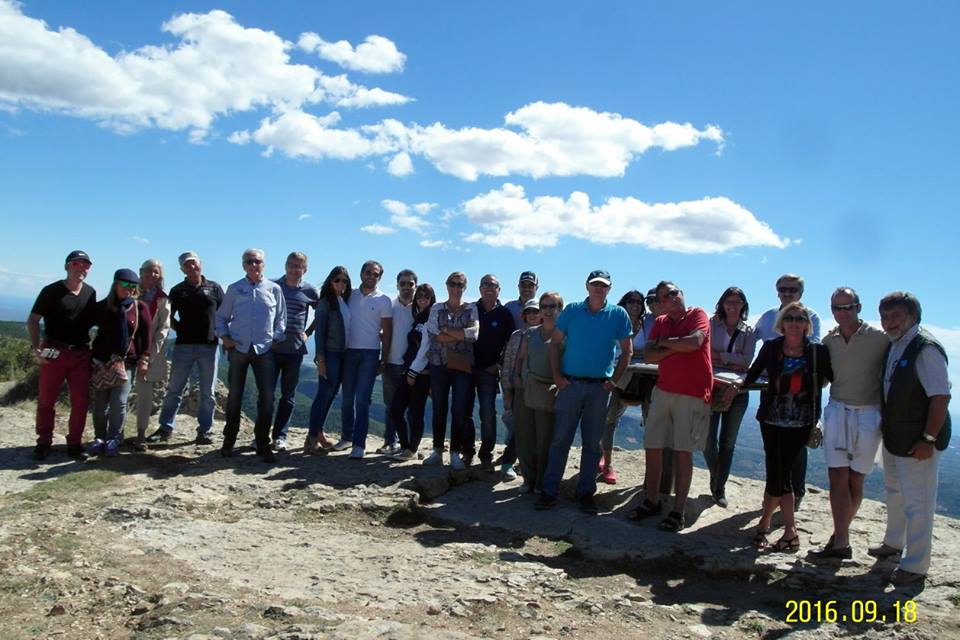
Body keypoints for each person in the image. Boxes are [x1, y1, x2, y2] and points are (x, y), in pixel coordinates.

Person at [725, 302, 832, 553]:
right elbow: (753, 373)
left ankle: (766, 526)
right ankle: (788, 532)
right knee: (780, 473)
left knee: (780, 473)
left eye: (800, 318)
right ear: (781, 323)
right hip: (771, 419)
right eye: (789, 318)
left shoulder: (817, 351)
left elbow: (831, 378)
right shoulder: (772, 347)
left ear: (807, 324)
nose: (794, 322)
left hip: (801, 422)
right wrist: (736, 386)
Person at [870, 292, 951, 585]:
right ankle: (893, 543)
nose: (889, 322)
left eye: (896, 316)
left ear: (913, 317)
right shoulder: (896, 345)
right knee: (895, 492)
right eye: (885, 316)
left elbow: (940, 397)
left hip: (918, 440)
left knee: (919, 502)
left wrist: (928, 439)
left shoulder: (925, 348)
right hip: (896, 437)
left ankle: (916, 565)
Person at [536, 270, 632, 514]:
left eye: (603, 285)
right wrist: (557, 376)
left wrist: (614, 381)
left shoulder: (618, 314)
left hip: (600, 388)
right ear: (587, 286)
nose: (599, 289)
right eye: (595, 284)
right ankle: (549, 491)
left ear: (609, 289)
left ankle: (586, 492)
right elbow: (555, 343)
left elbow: (627, 351)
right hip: (570, 384)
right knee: (560, 439)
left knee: (592, 443)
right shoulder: (572, 311)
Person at [810, 287, 889, 559]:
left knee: (856, 479)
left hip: (869, 413)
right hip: (838, 410)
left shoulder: (880, 338)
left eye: (848, 307)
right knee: (837, 478)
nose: (842, 313)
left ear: (858, 307)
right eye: (837, 308)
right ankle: (842, 542)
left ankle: (839, 537)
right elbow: (822, 379)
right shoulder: (829, 341)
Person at [631, 282, 712, 533]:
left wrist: (664, 344)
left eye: (674, 293)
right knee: (653, 446)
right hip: (664, 390)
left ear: (682, 293)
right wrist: (677, 346)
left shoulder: (698, 314)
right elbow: (649, 356)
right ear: (661, 303)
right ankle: (652, 500)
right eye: (665, 297)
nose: (671, 298)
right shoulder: (661, 321)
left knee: (682, 451)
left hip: (692, 393)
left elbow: (695, 342)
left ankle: (678, 511)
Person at [754, 273, 822, 510]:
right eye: (782, 289)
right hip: (771, 391)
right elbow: (750, 337)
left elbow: (813, 348)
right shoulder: (768, 316)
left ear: (801, 293)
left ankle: (796, 493)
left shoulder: (811, 316)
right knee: (772, 448)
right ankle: (773, 493)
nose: (787, 293)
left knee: (797, 449)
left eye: (792, 290)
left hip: (799, 395)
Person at [216, 248, 286, 462]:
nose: (253, 264)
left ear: (264, 264)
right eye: (249, 261)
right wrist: (225, 339)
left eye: (257, 261)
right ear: (243, 265)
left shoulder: (274, 289)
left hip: (264, 350)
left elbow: (281, 319)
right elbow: (221, 317)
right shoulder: (234, 289)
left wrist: (275, 339)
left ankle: (262, 443)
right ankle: (229, 440)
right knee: (234, 396)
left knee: (267, 397)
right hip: (238, 348)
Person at [28, 250, 98, 461]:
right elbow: (33, 320)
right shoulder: (51, 291)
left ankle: (75, 443)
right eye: (77, 264)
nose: (81, 268)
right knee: (47, 399)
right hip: (53, 350)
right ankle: (43, 442)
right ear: (67, 266)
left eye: (86, 265)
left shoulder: (90, 292)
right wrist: (36, 348)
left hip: (81, 353)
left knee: (81, 400)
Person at [150, 251, 224, 445]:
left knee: (208, 392)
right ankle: (165, 428)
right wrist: (179, 328)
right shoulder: (177, 290)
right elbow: (167, 315)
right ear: (182, 269)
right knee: (175, 389)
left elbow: (225, 313)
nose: (191, 267)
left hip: (210, 346)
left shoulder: (214, 288)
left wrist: (221, 333)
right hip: (183, 345)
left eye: (194, 263)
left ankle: (205, 431)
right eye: (186, 265)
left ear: (200, 264)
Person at [89, 269, 153, 457]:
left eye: (133, 286)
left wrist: (144, 359)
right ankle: (99, 438)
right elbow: (83, 325)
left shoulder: (139, 307)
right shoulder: (102, 307)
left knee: (119, 402)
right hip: (101, 361)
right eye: (125, 284)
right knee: (100, 404)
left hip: (126, 362)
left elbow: (146, 337)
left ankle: (114, 439)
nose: (129, 289)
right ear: (115, 284)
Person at [704, 287, 757, 508]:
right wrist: (732, 359)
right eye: (729, 302)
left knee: (728, 443)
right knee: (707, 440)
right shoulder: (711, 324)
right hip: (712, 386)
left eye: (737, 302)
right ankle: (717, 476)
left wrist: (720, 357)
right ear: (722, 304)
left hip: (738, 391)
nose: (733, 306)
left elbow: (746, 361)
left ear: (743, 305)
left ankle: (719, 488)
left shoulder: (749, 331)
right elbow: (705, 353)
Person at [423, 271, 479, 469]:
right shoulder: (437, 308)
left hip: (462, 366)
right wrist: (459, 334)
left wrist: (446, 330)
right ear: (447, 286)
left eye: (460, 284)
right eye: (453, 284)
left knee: (459, 409)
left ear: (465, 287)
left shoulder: (471, 308)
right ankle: (438, 450)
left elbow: (473, 334)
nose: (456, 288)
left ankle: (455, 452)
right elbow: (433, 334)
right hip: (438, 364)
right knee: (439, 407)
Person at [337, 260, 392, 459]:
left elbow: (387, 332)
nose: (371, 276)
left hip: (370, 353)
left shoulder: (384, 300)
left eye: (375, 274)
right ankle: (346, 437)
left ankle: (358, 444)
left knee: (362, 400)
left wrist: (384, 359)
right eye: (368, 272)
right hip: (349, 352)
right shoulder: (349, 294)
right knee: (346, 399)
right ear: (361, 274)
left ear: (380, 277)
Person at [270, 252, 320, 452]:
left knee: (288, 396)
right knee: (266, 395)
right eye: (291, 265)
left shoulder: (310, 290)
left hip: (295, 350)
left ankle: (280, 436)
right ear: (285, 265)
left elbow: (322, 313)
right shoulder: (272, 285)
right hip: (271, 349)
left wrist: (308, 332)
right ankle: (261, 435)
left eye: (298, 266)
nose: (294, 269)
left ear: (305, 269)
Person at [466, 274, 515, 471]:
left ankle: (486, 453)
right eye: (485, 284)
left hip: (489, 370)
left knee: (487, 412)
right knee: (464, 411)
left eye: (492, 285)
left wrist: (498, 365)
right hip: (466, 369)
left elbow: (511, 344)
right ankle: (467, 451)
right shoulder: (470, 309)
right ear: (479, 289)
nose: (488, 287)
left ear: (498, 290)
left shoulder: (504, 314)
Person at [515, 293, 563, 493]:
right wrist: (517, 378)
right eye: (544, 306)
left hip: (550, 390)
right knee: (525, 436)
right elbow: (520, 357)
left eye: (553, 306)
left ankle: (541, 481)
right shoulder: (530, 333)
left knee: (545, 439)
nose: (548, 310)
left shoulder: (565, 335)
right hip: (527, 388)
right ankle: (528, 480)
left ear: (560, 309)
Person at [599, 290, 647, 485]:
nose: (635, 305)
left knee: (615, 418)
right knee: (609, 419)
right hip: (614, 375)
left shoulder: (646, 325)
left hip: (636, 379)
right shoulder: (615, 321)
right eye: (631, 301)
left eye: (639, 302)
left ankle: (601, 455)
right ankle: (607, 463)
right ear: (624, 303)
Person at [305, 266, 352, 454]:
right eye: (337, 280)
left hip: (343, 354)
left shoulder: (344, 301)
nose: (341, 283)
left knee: (331, 394)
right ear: (330, 282)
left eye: (344, 281)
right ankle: (311, 439)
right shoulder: (325, 302)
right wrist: (321, 359)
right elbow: (320, 332)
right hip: (330, 353)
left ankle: (319, 433)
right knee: (323, 394)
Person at [388, 283, 436, 460]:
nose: (423, 299)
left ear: (432, 299)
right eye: (420, 296)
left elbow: (425, 348)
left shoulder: (431, 318)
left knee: (416, 412)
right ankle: (406, 447)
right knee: (396, 409)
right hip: (409, 369)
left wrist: (413, 372)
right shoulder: (419, 317)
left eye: (427, 296)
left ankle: (411, 449)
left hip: (421, 373)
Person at [500, 299, 541, 482]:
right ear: (523, 315)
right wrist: (507, 389)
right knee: (520, 427)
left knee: (536, 429)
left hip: (541, 388)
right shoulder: (516, 336)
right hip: (519, 387)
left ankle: (527, 464)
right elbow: (507, 364)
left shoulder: (549, 334)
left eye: (535, 312)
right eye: (529, 312)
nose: (532, 315)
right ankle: (508, 462)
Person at [132, 259, 171, 451]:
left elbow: (163, 329)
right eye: (148, 271)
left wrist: (149, 355)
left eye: (156, 272)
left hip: (150, 353)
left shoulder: (162, 298)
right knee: (118, 395)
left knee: (145, 396)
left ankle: (141, 434)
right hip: (126, 351)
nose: (152, 275)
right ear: (140, 272)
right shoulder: (130, 291)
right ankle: (114, 434)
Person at [379, 269, 418, 455]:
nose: (406, 287)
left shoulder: (419, 309)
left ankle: (409, 445)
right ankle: (390, 442)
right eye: (402, 283)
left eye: (410, 283)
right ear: (397, 285)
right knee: (390, 405)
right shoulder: (390, 307)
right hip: (391, 362)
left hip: (413, 366)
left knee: (411, 408)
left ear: (415, 286)